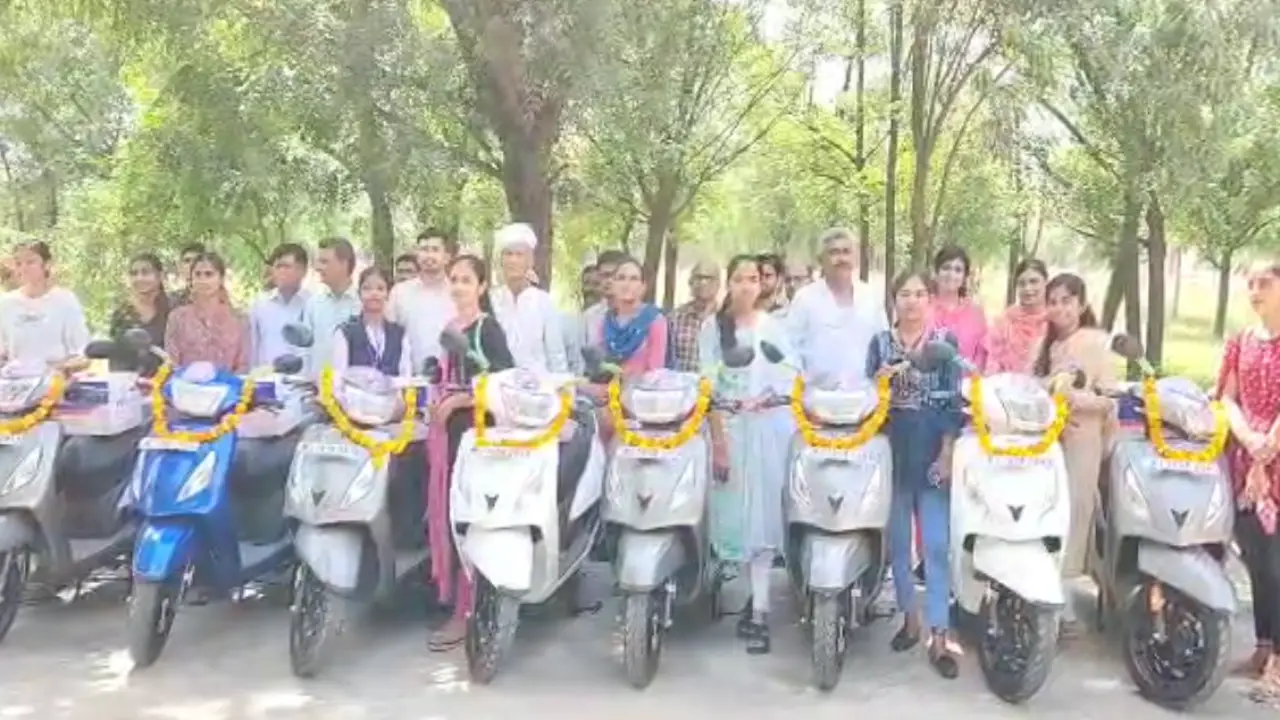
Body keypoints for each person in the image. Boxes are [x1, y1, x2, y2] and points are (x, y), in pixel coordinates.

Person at [700, 255, 796, 655]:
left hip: (765, 432)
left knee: (761, 522)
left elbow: (790, 372)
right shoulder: (713, 328)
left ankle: (758, 610)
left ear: (763, 285)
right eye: (738, 278)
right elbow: (707, 388)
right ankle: (713, 594)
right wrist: (720, 440)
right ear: (729, 283)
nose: (746, 286)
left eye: (753, 279)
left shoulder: (772, 328)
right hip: (726, 431)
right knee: (726, 520)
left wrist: (770, 397)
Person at [869, 270, 962, 679]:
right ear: (894, 299)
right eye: (904, 293)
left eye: (919, 293)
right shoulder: (880, 342)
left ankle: (939, 635)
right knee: (899, 543)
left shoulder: (944, 344)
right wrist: (878, 383)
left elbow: (953, 405)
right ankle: (910, 619)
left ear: (930, 299)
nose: (911, 301)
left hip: (930, 446)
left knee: (937, 544)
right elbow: (867, 401)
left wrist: (946, 454)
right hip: (892, 447)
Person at [426, 255, 516, 651]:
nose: (459, 286)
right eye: (455, 279)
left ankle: (469, 609)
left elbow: (503, 380)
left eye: (467, 280)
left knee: (470, 519)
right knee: (446, 516)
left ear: (481, 287)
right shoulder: (450, 328)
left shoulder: (487, 329)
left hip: (477, 433)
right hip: (447, 433)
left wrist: (462, 399)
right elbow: (442, 375)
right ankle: (451, 599)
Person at [1032, 273, 1115, 638]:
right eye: (1054, 301)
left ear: (1081, 305)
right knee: (1048, 515)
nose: (1060, 308)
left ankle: (1066, 608)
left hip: (1083, 442)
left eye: (1067, 301)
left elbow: (1111, 399)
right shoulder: (1048, 345)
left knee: (1076, 519)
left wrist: (1075, 400)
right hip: (1050, 443)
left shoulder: (1096, 343)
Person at [1217, 261, 1280, 695]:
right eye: (1251, 284)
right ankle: (1260, 646)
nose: (1255, 290)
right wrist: (1248, 439)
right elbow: (1227, 396)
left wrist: (1269, 446)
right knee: (1255, 559)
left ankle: (1278, 661)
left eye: (1265, 283)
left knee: (1277, 564)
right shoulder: (1242, 340)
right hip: (1245, 459)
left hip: (1275, 457)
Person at [788, 227, 888, 385]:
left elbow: (883, 345)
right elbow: (790, 350)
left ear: (855, 258)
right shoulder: (805, 299)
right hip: (817, 398)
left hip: (865, 397)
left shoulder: (870, 296)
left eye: (846, 252)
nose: (841, 258)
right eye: (834, 252)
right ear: (821, 260)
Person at [0, 240, 90, 371]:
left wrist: (53, 370)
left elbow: (83, 355)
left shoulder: (65, 301)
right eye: (19, 263)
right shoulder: (6, 303)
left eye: (30, 262)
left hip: (56, 383)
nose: (23, 268)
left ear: (46, 265)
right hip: (15, 385)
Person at [489, 223, 567, 372]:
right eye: (508, 254)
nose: (513, 260)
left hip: (538, 386)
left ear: (530, 261)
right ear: (501, 260)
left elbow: (556, 354)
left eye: (519, 255)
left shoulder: (543, 302)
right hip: (500, 384)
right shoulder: (491, 300)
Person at [164, 252, 250, 372]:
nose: (203, 280)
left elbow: (243, 364)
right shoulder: (177, 317)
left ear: (221, 279)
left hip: (228, 388)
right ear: (191, 279)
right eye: (198, 274)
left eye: (209, 274)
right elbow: (171, 363)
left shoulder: (239, 319)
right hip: (185, 387)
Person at [388, 229, 457, 373]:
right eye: (424, 250)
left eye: (435, 250)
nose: (429, 255)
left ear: (447, 257)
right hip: (409, 381)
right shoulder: (400, 292)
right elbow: (390, 336)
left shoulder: (457, 293)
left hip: (450, 382)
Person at [331, 267, 412, 377]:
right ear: (359, 293)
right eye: (367, 288)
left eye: (380, 289)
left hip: (391, 393)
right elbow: (338, 375)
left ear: (388, 293)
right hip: (354, 393)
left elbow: (405, 375)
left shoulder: (399, 334)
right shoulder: (346, 332)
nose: (374, 293)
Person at [303, 237, 361, 372]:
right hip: (318, 389)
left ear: (344, 264)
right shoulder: (313, 304)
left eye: (324, 262)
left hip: (355, 388)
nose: (317, 268)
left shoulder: (363, 304)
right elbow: (305, 351)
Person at [107, 252, 170, 374]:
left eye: (145, 272)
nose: (139, 278)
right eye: (134, 274)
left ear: (160, 276)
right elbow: (117, 357)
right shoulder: (122, 313)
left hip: (166, 383)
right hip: (130, 383)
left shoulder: (172, 310)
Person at [249, 244, 309, 370]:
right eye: (277, 267)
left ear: (302, 270)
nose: (281, 272)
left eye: (286, 267)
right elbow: (252, 347)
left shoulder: (314, 305)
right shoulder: (260, 304)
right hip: (267, 381)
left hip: (304, 383)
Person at [985, 258, 1049, 373]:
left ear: (1046, 282)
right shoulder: (1005, 321)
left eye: (1033, 281)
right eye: (1022, 284)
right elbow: (992, 361)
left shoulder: (1054, 321)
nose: (1027, 289)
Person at [930, 245, 987, 366]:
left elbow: (982, 354)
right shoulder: (923, 307)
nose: (951, 274)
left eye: (958, 270)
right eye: (946, 268)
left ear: (964, 277)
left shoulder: (976, 313)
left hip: (967, 381)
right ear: (936, 272)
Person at [669, 260, 721, 371]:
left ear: (718, 284)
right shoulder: (675, 318)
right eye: (698, 278)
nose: (703, 282)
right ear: (690, 282)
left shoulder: (727, 318)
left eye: (709, 278)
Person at [563, 262, 597, 374]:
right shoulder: (572, 320)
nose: (590, 289)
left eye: (596, 284)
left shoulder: (609, 321)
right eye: (586, 283)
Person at [171, 242, 207, 306]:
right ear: (180, 268)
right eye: (187, 261)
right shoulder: (171, 301)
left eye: (197, 260)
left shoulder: (217, 300)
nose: (191, 264)